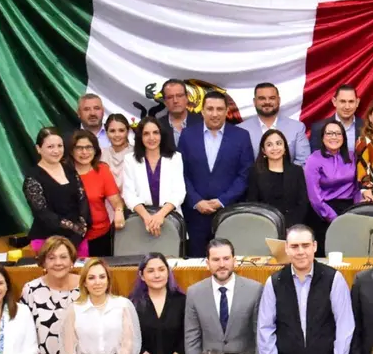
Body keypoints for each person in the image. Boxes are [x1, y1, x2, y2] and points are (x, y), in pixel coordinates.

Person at [256, 224, 355, 354]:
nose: (300, 251)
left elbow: (345, 325)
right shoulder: (274, 282)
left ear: (315, 247)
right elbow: (265, 328)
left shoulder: (333, 279)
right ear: (287, 249)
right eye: (294, 246)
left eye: (305, 245)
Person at [179, 91, 255, 255]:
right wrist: (196, 200)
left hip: (229, 213)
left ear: (227, 111)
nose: (215, 114)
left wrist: (222, 201)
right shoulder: (187, 136)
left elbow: (245, 175)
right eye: (210, 109)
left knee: (227, 261)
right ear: (202, 111)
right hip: (195, 214)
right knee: (196, 263)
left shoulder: (241, 136)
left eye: (219, 109)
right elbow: (180, 173)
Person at [184, 239, 263, 354]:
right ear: (207, 263)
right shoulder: (194, 293)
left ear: (234, 261)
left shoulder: (254, 290)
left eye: (226, 258)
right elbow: (192, 338)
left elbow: (260, 335)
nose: (222, 264)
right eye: (216, 260)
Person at [23, 127, 90, 252]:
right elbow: (44, 214)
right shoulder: (32, 177)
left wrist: (81, 228)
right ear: (38, 149)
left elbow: (82, 200)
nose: (56, 151)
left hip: (78, 239)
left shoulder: (69, 169)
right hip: (47, 242)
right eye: (50, 147)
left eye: (60, 146)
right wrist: (73, 227)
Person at [20, 236, 80, 354]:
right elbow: (23, 333)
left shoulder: (86, 286)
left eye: (63, 257)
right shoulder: (31, 290)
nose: (58, 263)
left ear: (72, 260)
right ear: (44, 262)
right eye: (51, 258)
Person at [122, 117, 187, 239]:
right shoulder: (129, 160)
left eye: (155, 133)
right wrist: (147, 218)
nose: (151, 138)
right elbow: (129, 194)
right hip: (140, 221)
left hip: (170, 219)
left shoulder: (175, 158)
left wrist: (160, 216)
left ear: (161, 135)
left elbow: (179, 192)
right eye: (146, 133)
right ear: (140, 137)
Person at [304, 120, 361, 252]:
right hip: (323, 212)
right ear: (322, 137)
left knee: (349, 252)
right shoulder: (314, 159)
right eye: (329, 133)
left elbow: (357, 186)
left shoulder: (352, 157)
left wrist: (355, 210)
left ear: (343, 137)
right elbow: (314, 196)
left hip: (349, 211)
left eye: (337, 134)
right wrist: (332, 217)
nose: (333, 137)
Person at [69, 130, 125, 258]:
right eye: (79, 148)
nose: (84, 152)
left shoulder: (102, 170)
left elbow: (116, 201)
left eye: (89, 147)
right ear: (72, 151)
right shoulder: (64, 173)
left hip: (100, 236)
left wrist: (119, 211)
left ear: (95, 150)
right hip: (71, 238)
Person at [247, 129, 309, 227]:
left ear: (285, 148)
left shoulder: (296, 171)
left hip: (293, 227)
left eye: (279, 143)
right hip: (264, 226)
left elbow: (302, 203)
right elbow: (252, 204)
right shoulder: (255, 172)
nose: (275, 148)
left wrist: (291, 226)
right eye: (269, 145)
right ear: (263, 150)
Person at [238, 82, 310, 166]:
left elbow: (303, 161)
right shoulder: (240, 130)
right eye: (262, 98)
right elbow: (238, 165)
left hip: (289, 178)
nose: (267, 102)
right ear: (254, 102)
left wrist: (287, 178)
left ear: (278, 100)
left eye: (272, 98)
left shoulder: (297, 128)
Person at [309, 84, 362, 153]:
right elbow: (314, 159)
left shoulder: (366, 127)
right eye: (342, 101)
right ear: (334, 102)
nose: (347, 107)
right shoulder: (319, 128)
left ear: (357, 102)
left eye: (351, 101)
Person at [156, 79, 203, 147]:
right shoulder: (156, 126)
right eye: (170, 97)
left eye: (179, 96)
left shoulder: (202, 123)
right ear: (165, 102)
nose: (175, 101)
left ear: (187, 98)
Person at [100, 113, 133, 190]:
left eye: (121, 130)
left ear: (127, 132)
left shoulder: (136, 154)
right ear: (106, 133)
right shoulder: (101, 155)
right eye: (112, 131)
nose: (117, 135)